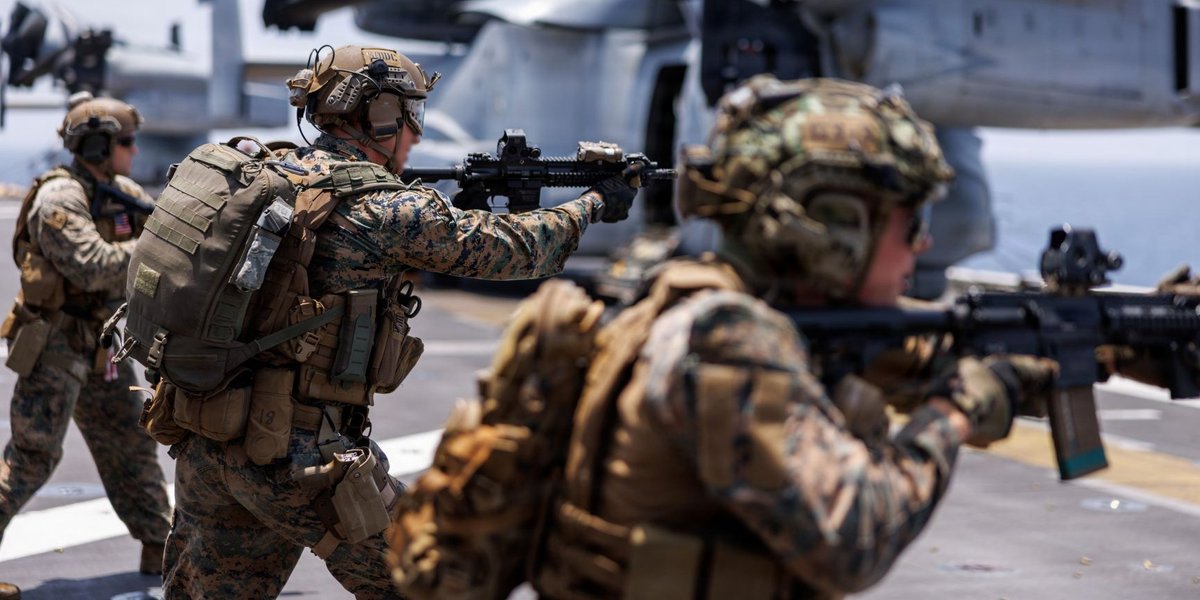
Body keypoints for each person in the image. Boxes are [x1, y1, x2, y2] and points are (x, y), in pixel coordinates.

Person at [506, 76, 1061, 599]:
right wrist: (957, 409)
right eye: (911, 224)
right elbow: (854, 538)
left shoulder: (706, 304)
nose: (923, 245)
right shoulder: (728, 340)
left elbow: (912, 353)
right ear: (837, 226)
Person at [159, 44, 640, 599]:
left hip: (209, 437)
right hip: (298, 458)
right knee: (428, 583)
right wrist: (592, 203)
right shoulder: (388, 209)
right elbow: (516, 249)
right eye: (412, 114)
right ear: (380, 114)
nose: (416, 133)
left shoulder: (269, 173)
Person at [0, 93, 171, 600]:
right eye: (127, 142)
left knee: (131, 444)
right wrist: (157, 248)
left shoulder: (121, 191)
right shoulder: (60, 198)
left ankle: (161, 547)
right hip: (54, 344)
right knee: (33, 455)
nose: (135, 151)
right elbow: (92, 266)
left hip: (101, 347)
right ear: (97, 146)